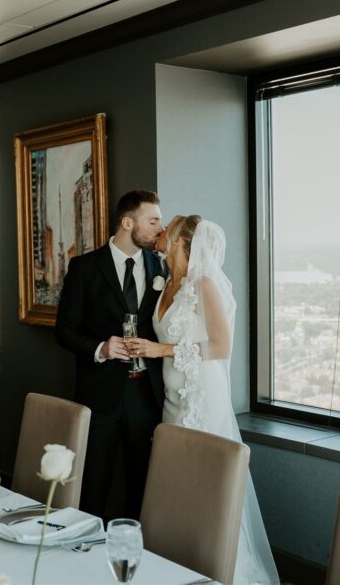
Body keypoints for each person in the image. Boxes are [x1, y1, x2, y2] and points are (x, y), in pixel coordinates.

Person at [128, 215, 280, 585]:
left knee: (206, 485)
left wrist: (158, 349)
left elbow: (220, 346)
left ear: (182, 242)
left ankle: (221, 571)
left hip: (202, 397)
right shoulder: (166, 285)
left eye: (169, 229)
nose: (161, 232)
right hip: (172, 398)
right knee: (175, 482)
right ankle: (178, 566)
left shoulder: (205, 284)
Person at [55, 190, 165, 519]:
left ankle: (135, 556)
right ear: (127, 222)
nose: (160, 228)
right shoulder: (85, 268)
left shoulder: (161, 266)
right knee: (93, 483)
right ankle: (86, 549)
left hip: (147, 395)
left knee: (143, 483)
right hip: (100, 395)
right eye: (153, 220)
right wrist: (101, 348)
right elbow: (64, 330)